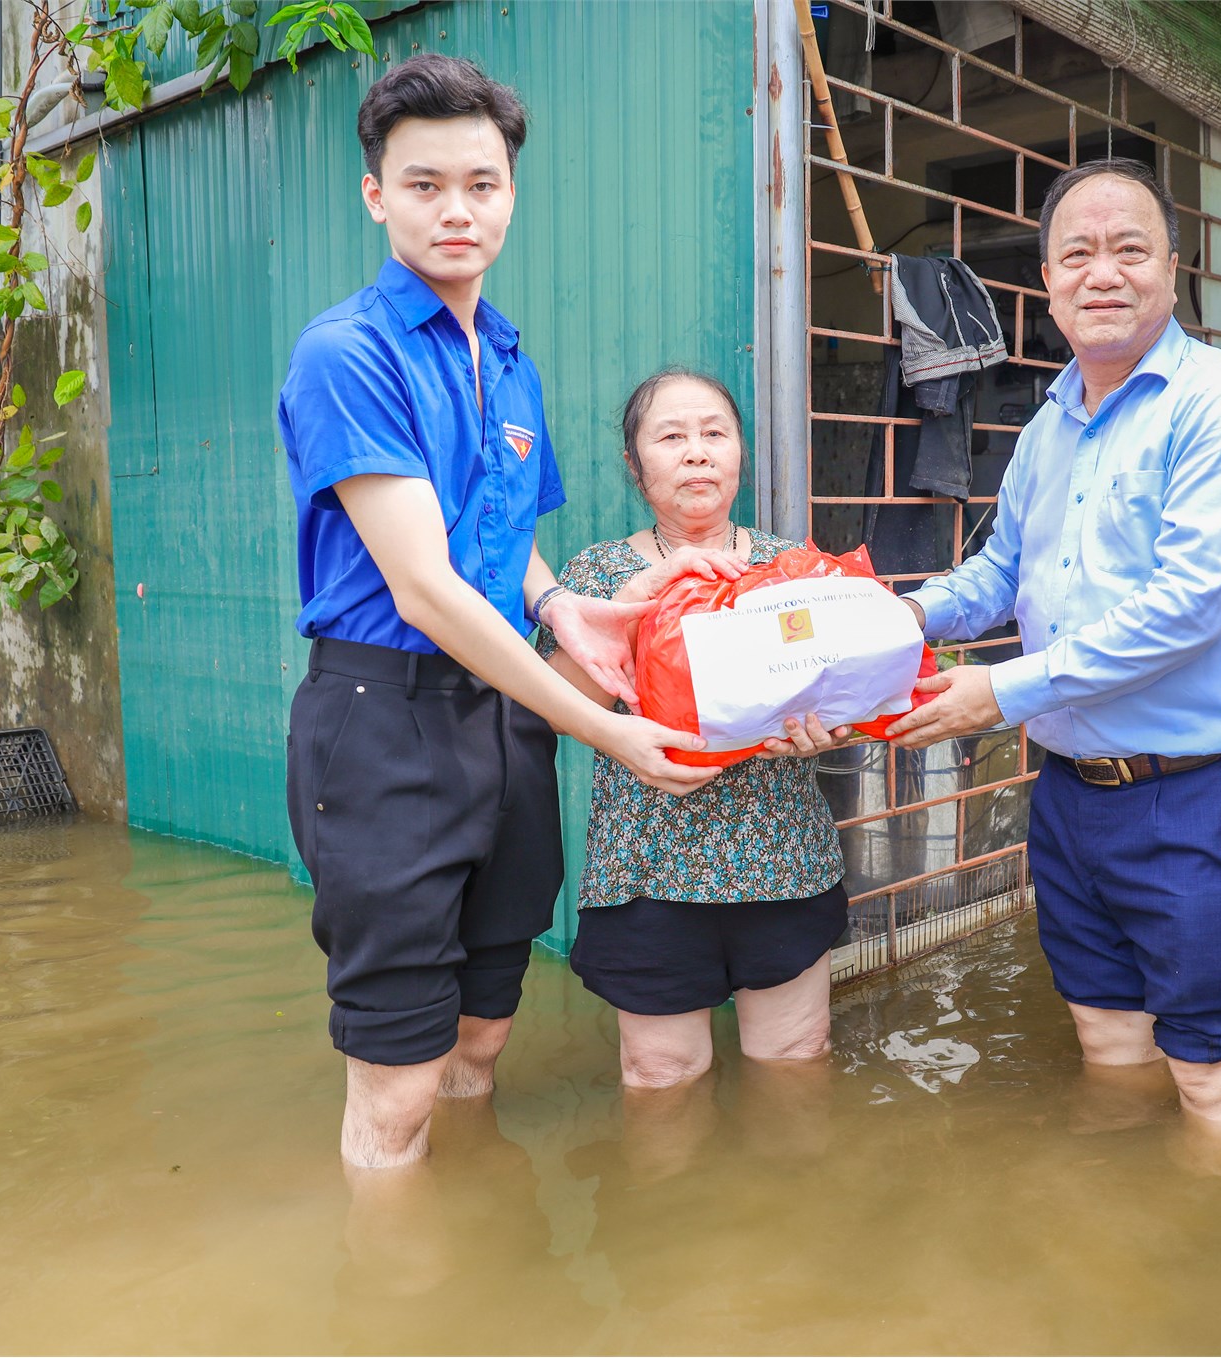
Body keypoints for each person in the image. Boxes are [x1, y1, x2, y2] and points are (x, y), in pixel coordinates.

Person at [277, 56, 718, 1171]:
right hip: (381, 720)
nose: (456, 209)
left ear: (511, 193)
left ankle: (469, 1246)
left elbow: (497, 532)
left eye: (481, 182)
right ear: (376, 194)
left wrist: (563, 606)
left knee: (484, 1026)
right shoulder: (349, 353)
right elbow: (423, 584)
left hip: (498, 715)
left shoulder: (507, 357)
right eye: (423, 184)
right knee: (398, 1079)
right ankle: (390, 1299)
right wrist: (602, 727)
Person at [886, 158, 1221, 1125]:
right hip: (1072, 794)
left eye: (1128, 249)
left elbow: (1185, 606)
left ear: (1172, 265)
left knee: (1211, 1065)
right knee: (1108, 1042)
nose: (1101, 273)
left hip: (1200, 790)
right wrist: (901, 617)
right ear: (1047, 282)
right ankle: (1119, 1244)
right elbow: (1000, 574)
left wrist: (998, 691)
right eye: (1076, 253)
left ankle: (1220, 1262)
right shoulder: (1049, 422)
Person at [538, 368, 854, 1088]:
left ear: (739, 452)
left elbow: (845, 701)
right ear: (634, 463)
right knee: (659, 1076)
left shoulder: (790, 568)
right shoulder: (599, 572)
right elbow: (552, 705)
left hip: (781, 860)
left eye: (715, 433)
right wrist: (623, 610)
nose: (697, 452)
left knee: (796, 1065)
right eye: (671, 436)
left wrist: (832, 732)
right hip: (647, 872)